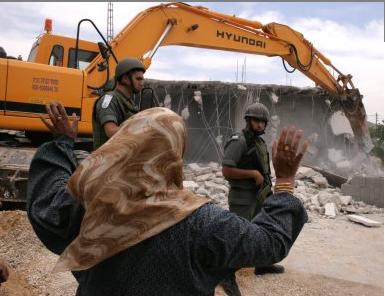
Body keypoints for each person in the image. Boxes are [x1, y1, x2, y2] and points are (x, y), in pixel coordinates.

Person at [27, 101, 308, 296]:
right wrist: (285, 182)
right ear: (175, 154)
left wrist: (62, 143)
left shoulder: (91, 203)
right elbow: (269, 242)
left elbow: (45, 203)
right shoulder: (203, 223)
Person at [220, 102, 282, 295]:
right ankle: (226, 274)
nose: (260, 125)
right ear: (248, 120)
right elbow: (227, 170)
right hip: (243, 198)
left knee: (263, 231)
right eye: (256, 121)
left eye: (263, 122)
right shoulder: (239, 141)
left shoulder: (260, 143)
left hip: (259, 196)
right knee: (239, 236)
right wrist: (252, 174)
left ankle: (262, 264)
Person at [92, 57, 145, 150]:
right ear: (125, 79)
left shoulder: (129, 102)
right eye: (138, 79)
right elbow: (111, 131)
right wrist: (144, 132)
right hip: (106, 160)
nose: (142, 83)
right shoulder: (109, 99)